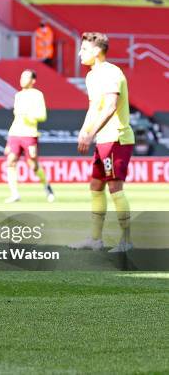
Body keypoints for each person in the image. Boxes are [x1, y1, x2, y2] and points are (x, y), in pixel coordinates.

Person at [69, 32, 134, 253]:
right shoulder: (91, 76)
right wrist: (84, 131)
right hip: (103, 139)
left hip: (116, 137)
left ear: (97, 51)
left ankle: (126, 242)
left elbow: (110, 106)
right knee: (96, 186)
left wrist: (91, 133)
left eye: (84, 49)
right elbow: (94, 108)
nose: (80, 53)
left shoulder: (111, 72)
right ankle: (95, 239)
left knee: (115, 187)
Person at [4, 69, 54, 203]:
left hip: (29, 134)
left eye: (25, 77)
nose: (22, 80)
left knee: (33, 165)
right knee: (10, 161)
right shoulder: (18, 95)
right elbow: (16, 118)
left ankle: (47, 187)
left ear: (33, 81)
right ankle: (15, 194)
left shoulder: (37, 95)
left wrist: (29, 116)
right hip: (15, 133)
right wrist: (9, 140)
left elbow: (42, 116)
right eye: (21, 77)